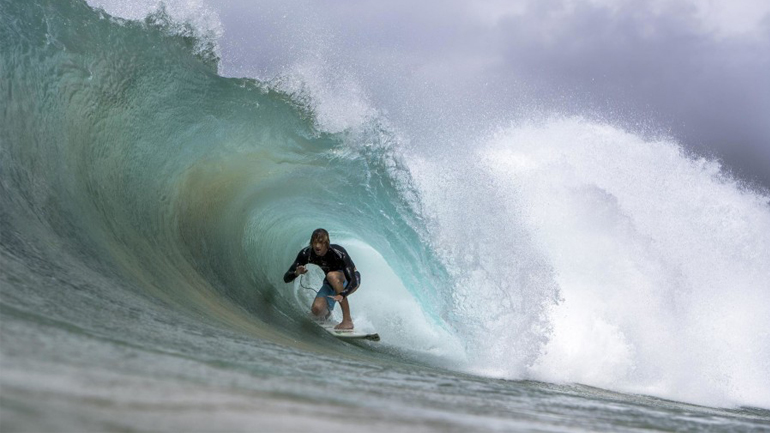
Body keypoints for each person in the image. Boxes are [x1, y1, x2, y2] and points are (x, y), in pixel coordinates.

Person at [283, 228, 360, 330]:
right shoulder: (306, 254)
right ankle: (327, 314)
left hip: (350, 280)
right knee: (316, 310)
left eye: (321, 243)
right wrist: (296, 273)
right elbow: (286, 278)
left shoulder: (338, 253)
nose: (317, 246)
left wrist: (342, 294)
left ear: (326, 243)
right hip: (331, 283)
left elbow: (353, 281)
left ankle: (347, 321)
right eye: (315, 242)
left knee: (331, 276)